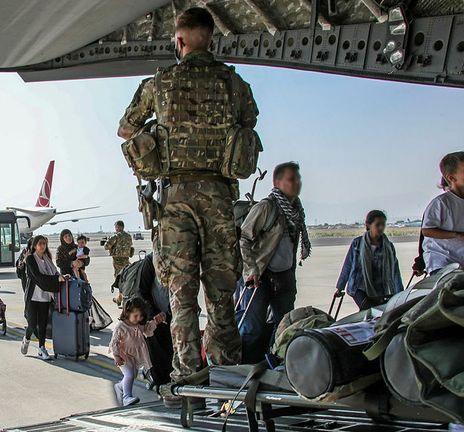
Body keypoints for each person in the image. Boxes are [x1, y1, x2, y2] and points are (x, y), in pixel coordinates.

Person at [118, 7, 259, 393]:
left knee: (181, 296)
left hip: (176, 199)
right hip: (219, 196)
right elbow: (249, 124)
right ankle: (227, 374)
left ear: (178, 40)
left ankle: (190, 379)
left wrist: (158, 129)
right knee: (221, 294)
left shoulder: (159, 83)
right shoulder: (235, 84)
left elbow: (125, 129)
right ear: (210, 38)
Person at [239, 162, 310, 363]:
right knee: (252, 328)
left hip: (285, 276)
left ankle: (271, 364)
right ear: (277, 182)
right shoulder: (266, 207)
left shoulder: (297, 211)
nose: (297, 183)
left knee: (283, 327)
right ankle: (246, 368)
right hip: (260, 277)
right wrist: (251, 269)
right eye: (291, 179)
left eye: (298, 179)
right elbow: (244, 238)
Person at [336, 210, 404, 310]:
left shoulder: (388, 247)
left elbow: (395, 271)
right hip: (359, 286)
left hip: (378, 289)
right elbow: (348, 265)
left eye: (383, 224)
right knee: (368, 309)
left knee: (375, 314)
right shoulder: (357, 244)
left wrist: (400, 294)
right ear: (369, 225)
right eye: (377, 225)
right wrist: (340, 287)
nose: (381, 228)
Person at [109, 297, 167, 407]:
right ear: (127, 313)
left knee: (132, 375)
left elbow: (148, 329)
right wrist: (116, 356)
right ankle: (126, 397)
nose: (138, 318)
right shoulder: (121, 327)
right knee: (129, 375)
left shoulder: (139, 325)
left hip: (134, 356)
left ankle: (120, 387)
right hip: (123, 355)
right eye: (135, 316)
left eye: (140, 316)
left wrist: (156, 321)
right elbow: (114, 342)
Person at [22, 235, 65, 360]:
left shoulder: (47, 259)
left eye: (44, 244)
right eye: (40, 243)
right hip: (33, 296)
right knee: (31, 324)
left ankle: (42, 348)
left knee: (43, 324)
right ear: (34, 246)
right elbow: (38, 277)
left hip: (45, 297)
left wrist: (61, 276)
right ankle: (27, 339)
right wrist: (56, 279)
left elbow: (55, 272)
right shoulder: (30, 259)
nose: (42, 246)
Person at [420, 152, 464, 275]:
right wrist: (457, 235)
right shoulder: (441, 203)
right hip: (442, 263)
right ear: (451, 178)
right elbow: (426, 230)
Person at [105, 221, 133, 306]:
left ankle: (123, 299)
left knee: (120, 280)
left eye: (116, 227)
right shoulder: (128, 236)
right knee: (126, 278)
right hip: (126, 260)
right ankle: (119, 299)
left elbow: (106, 246)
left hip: (117, 261)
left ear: (117, 227)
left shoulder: (116, 236)